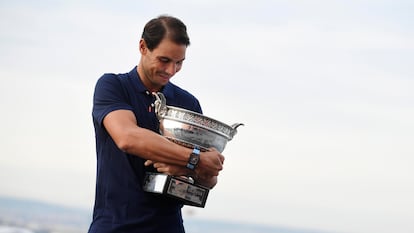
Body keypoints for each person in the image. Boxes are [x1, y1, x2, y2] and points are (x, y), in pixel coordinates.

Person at [88, 15, 225, 233]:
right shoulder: (113, 86)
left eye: (179, 63)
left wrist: (197, 168)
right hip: (115, 226)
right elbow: (128, 138)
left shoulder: (188, 103)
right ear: (143, 47)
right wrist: (192, 160)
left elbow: (208, 180)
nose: (171, 70)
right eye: (164, 60)